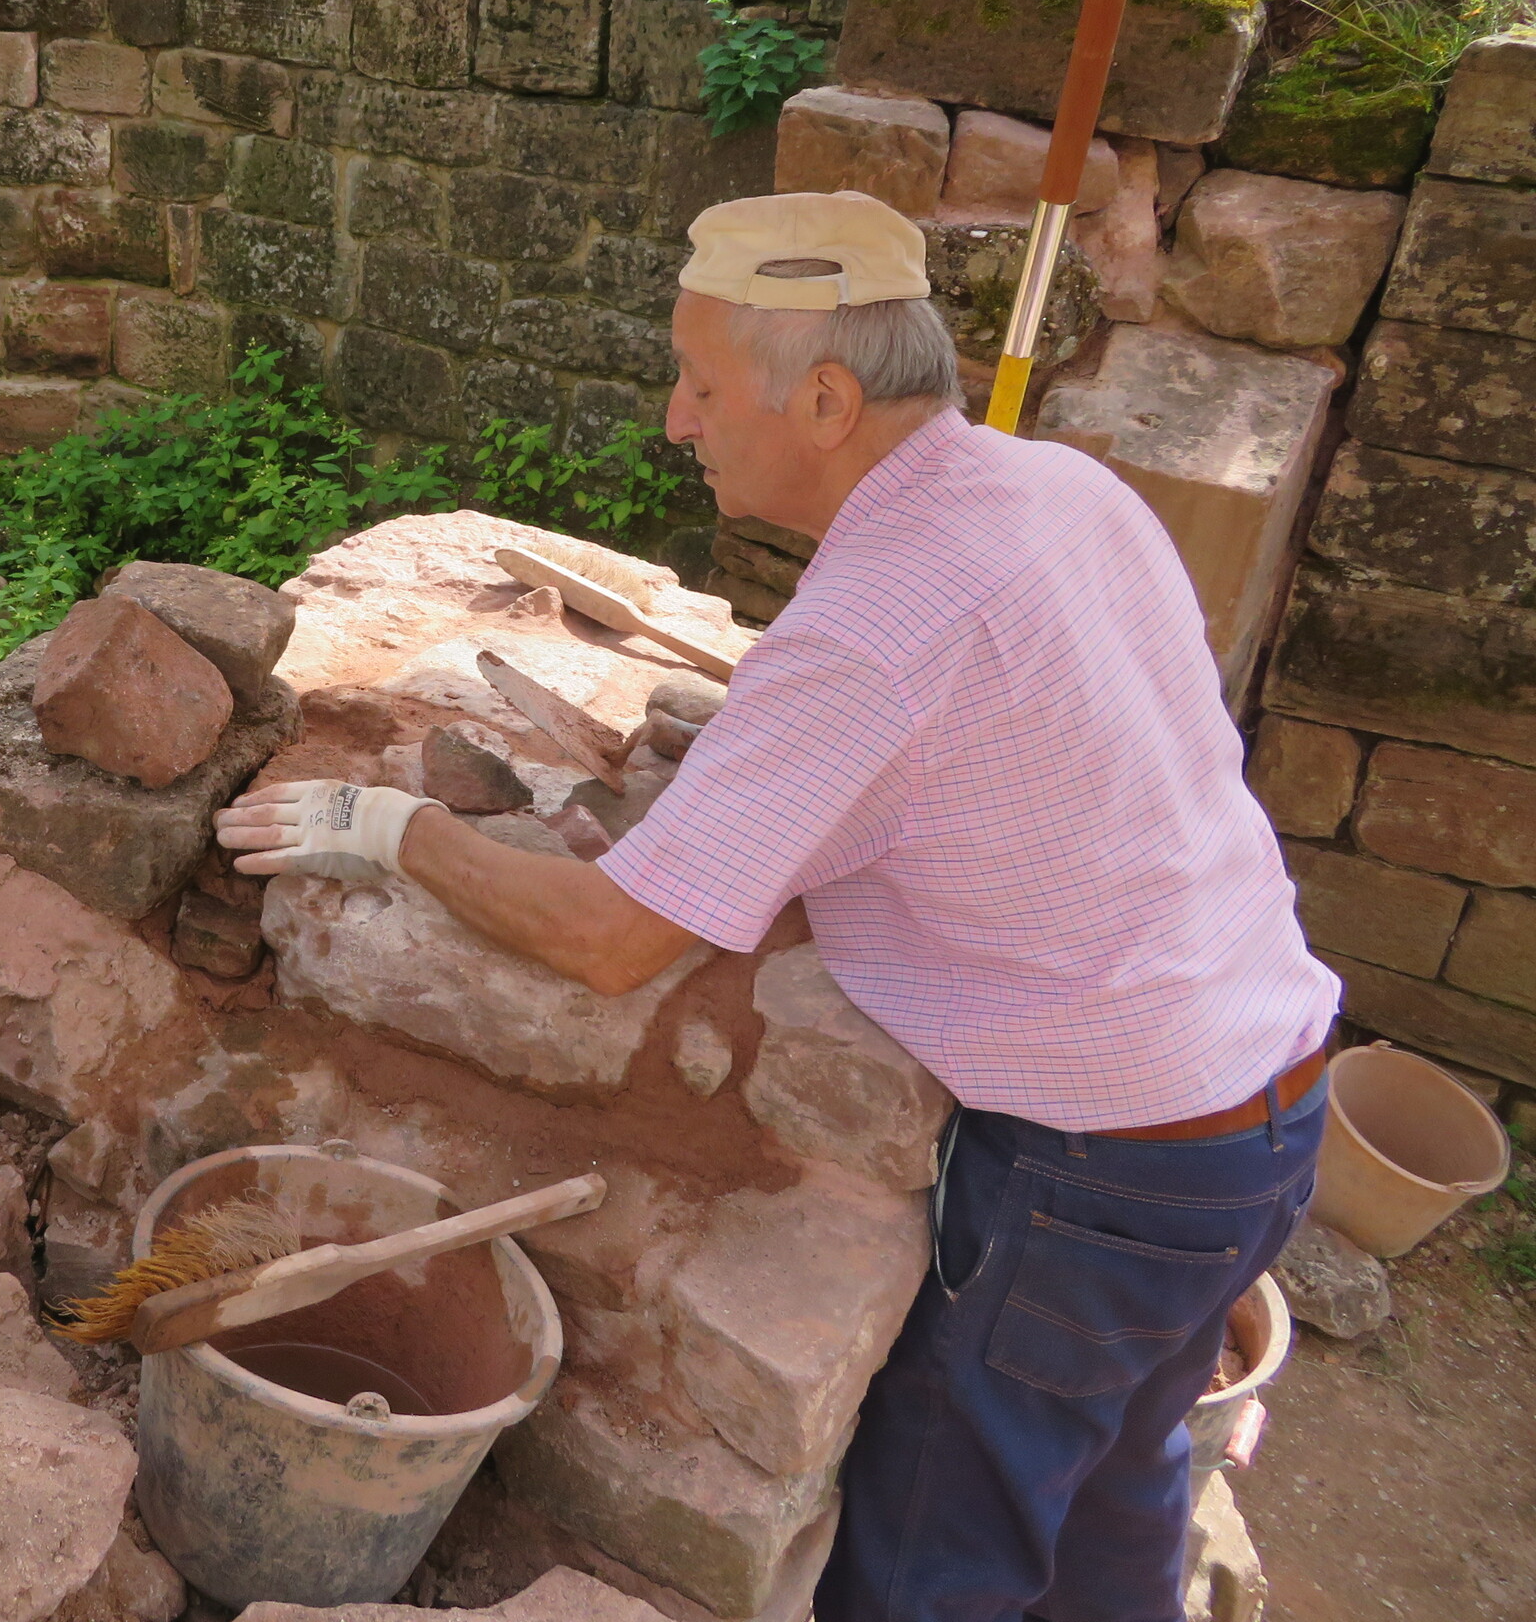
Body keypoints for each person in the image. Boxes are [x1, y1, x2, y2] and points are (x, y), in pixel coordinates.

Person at [213, 189, 1339, 1622]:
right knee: (1116, 1493)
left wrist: (391, 826)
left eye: (699, 383)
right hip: (1266, 1097)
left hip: (1102, 1174)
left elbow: (613, 941)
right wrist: (772, 772)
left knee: (933, 1566)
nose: (676, 419)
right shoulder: (1055, 487)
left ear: (823, 399)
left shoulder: (873, 631)